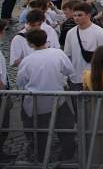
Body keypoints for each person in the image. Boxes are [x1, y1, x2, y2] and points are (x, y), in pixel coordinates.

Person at [16, 29, 76, 162]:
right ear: (45, 39)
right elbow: (69, 70)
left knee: (38, 131)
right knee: (65, 127)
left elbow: (21, 82)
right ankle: (68, 153)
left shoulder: (27, 61)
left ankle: (40, 156)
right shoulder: (57, 53)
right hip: (57, 97)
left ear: (30, 44)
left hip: (36, 102)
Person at [63, 0, 103, 90]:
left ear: (88, 15)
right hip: (75, 78)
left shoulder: (100, 32)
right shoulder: (70, 33)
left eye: (80, 15)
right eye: (75, 15)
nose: (76, 18)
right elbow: (67, 55)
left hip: (94, 78)